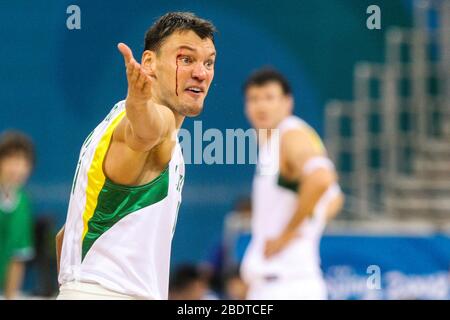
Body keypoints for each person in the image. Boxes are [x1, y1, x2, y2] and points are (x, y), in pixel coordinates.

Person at [56, 12, 217, 300]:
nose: (201, 73)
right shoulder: (152, 122)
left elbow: (65, 236)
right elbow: (146, 131)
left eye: (208, 62)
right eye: (186, 59)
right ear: (149, 63)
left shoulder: (112, 122)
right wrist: (140, 103)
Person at [240, 68, 344, 299]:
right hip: (276, 284)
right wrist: (310, 221)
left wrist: (289, 232)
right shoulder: (273, 141)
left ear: (287, 102)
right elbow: (335, 198)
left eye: (269, 97)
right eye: (253, 99)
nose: (261, 106)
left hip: (287, 286)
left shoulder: (290, 134)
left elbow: (321, 178)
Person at [0, 131, 35, 299]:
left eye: (23, 162)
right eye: (12, 160)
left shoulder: (23, 202)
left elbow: (18, 257)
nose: (18, 169)